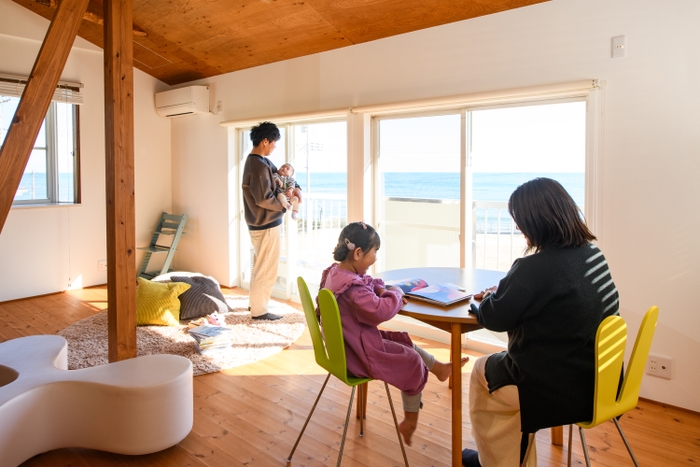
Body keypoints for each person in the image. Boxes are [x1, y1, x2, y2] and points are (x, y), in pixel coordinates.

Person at [462, 178, 620, 467]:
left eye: (520, 222)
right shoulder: (593, 255)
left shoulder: (532, 268)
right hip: (601, 382)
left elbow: (495, 318)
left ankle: (495, 461)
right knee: (504, 375)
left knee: (482, 373)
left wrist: (483, 302)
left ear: (534, 223)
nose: (520, 229)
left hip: (555, 390)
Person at [319, 221, 469, 446]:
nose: (376, 258)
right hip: (358, 355)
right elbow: (381, 311)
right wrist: (396, 292)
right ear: (358, 253)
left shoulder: (337, 274)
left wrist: (381, 289)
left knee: (401, 340)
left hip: (346, 345)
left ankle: (439, 369)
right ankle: (409, 422)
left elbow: (366, 284)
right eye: (375, 252)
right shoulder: (355, 291)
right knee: (411, 361)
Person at [241, 122, 302, 321]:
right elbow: (264, 199)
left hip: (263, 223)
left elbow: (284, 178)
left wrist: (297, 189)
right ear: (265, 141)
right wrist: (285, 206)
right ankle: (259, 311)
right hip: (265, 224)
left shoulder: (262, 161)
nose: (275, 146)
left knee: (261, 265)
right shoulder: (258, 165)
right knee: (266, 268)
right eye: (274, 142)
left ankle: (255, 304)